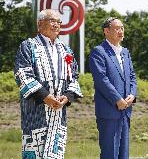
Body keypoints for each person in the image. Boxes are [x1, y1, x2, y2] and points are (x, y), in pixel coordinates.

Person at [14, 9, 83, 158]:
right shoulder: (29, 46)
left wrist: (68, 96)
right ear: (40, 24)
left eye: (59, 22)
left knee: (55, 154)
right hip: (36, 110)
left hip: (59, 112)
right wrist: (46, 97)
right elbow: (23, 74)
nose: (56, 25)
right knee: (34, 153)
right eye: (52, 21)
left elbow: (74, 74)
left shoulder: (66, 51)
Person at [89, 17, 137, 159]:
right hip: (109, 111)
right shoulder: (99, 51)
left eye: (122, 28)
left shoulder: (126, 52)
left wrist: (132, 95)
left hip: (126, 111)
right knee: (110, 153)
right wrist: (117, 99)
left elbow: (133, 77)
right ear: (106, 31)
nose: (121, 31)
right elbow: (101, 79)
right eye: (117, 28)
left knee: (124, 154)